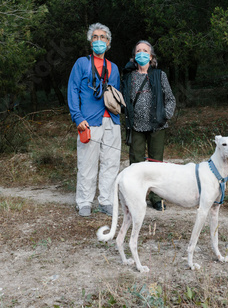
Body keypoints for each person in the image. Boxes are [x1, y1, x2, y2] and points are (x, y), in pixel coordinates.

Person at [67, 23, 121, 217]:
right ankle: (84, 202)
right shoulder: (81, 63)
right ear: (91, 42)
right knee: (87, 164)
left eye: (103, 37)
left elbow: (114, 94)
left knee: (111, 163)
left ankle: (106, 201)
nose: (99, 41)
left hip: (112, 121)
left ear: (108, 43)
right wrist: (77, 117)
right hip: (89, 121)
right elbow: (72, 90)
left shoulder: (113, 68)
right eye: (95, 37)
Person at [122, 40, 176, 211]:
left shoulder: (159, 75)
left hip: (157, 126)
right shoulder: (129, 77)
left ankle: (156, 198)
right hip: (136, 126)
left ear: (151, 56)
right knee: (136, 163)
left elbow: (170, 99)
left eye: (145, 51)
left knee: (156, 163)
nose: (142, 53)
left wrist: (165, 116)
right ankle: (135, 198)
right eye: (139, 51)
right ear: (134, 56)